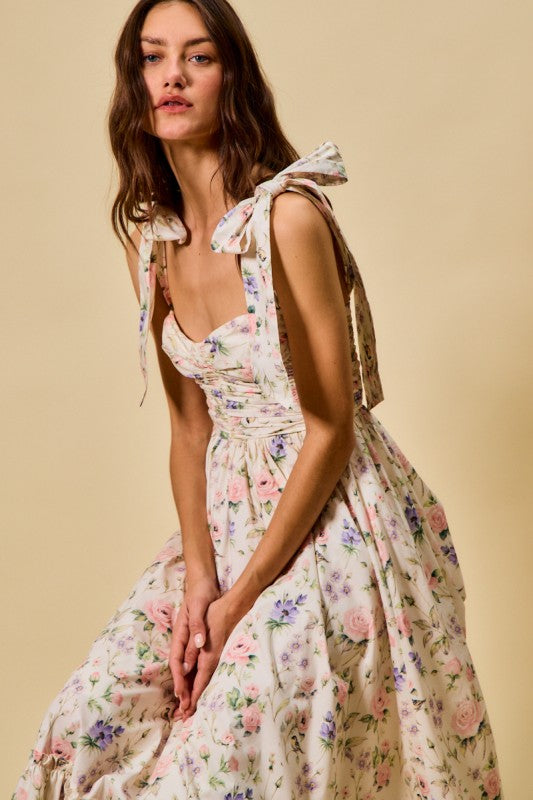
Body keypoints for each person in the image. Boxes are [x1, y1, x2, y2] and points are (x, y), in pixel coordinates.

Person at [12, 1, 506, 798]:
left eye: (198, 58)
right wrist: (201, 583)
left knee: (226, 763)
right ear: (132, 83)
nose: (171, 75)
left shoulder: (287, 218)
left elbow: (331, 426)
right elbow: (186, 430)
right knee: (87, 720)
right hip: (224, 527)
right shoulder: (159, 243)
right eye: (151, 57)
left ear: (231, 79)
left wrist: (241, 600)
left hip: (338, 520)